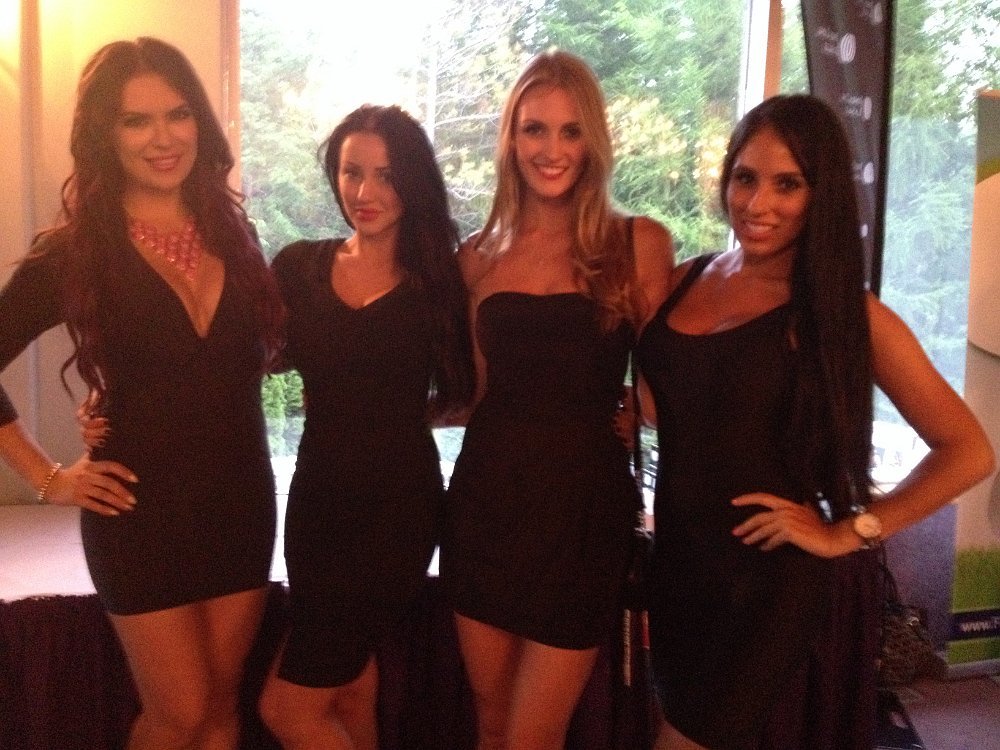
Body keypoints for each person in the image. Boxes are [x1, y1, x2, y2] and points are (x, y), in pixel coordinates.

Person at [634, 93, 996, 750]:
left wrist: (850, 530)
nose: (757, 203)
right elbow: (672, 409)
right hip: (681, 571)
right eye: (745, 177)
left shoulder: (843, 312)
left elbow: (968, 449)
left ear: (820, 194)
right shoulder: (688, 278)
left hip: (767, 582)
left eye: (787, 184)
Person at [0, 38, 284, 749]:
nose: (164, 137)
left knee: (220, 710)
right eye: (136, 120)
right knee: (180, 713)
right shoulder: (72, 252)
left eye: (178, 114)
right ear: (105, 134)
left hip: (241, 502)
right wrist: (48, 477)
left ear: (200, 122)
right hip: (138, 512)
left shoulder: (235, 232)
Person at [439, 49, 673, 750]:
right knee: (490, 724)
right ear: (510, 139)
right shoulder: (475, 255)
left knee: (532, 737)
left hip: (582, 517)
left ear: (593, 141)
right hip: (484, 508)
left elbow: (665, 394)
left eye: (571, 131)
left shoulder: (636, 242)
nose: (552, 150)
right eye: (534, 129)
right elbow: (477, 395)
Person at [256, 104, 475, 750]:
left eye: (385, 174)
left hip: (396, 514)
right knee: (348, 686)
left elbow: (471, 391)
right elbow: (238, 354)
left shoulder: (441, 284)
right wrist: (109, 396)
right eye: (352, 171)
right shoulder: (298, 268)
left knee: (285, 708)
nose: (365, 191)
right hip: (315, 507)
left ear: (413, 182)